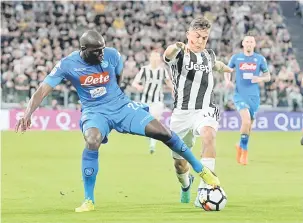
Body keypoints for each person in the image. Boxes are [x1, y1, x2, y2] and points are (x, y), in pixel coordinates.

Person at [15, 30, 220, 213]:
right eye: (97, 51)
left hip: (121, 107)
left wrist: (117, 96)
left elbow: (119, 75)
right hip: (95, 113)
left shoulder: (112, 55)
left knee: (164, 133)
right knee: (92, 140)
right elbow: (43, 89)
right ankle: (89, 200)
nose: (102, 54)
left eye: (103, 49)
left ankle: (202, 172)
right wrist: (27, 114)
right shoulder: (68, 64)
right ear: (84, 50)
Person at [163, 17, 232, 205]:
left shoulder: (209, 55)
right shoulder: (179, 54)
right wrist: (177, 45)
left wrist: (228, 69)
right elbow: (168, 54)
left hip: (205, 108)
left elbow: (215, 65)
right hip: (181, 114)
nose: (201, 41)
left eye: (205, 37)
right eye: (197, 36)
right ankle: (186, 185)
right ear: (188, 35)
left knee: (208, 135)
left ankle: (205, 188)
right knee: (179, 163)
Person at [225, 31, 271, 165]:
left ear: (254, 44)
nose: (249, 44)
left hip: (254, 96)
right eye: (247, 41)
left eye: (251, 41)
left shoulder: (260, 59)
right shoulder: (236, 58)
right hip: (240, 94)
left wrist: (260, 78)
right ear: (243, 44)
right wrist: (227, 81)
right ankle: (244, 152)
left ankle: (240, 144)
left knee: (249, 124)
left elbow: (268, 77)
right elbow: (227, 70)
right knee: (245, 121)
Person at [132, 51, 173, 154]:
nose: (156, 59)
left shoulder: (162, 71)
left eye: (157, 57)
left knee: (155, 120)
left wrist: (174, 90)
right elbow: (134, 83)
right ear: (150, 58)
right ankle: (150, 139)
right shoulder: (144, 70)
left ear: (159, 59)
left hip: (157, 100)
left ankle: (152, 145)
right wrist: (139, 87)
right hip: (145, 101)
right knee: (146, 124)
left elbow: (168, 82)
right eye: (154, 57)